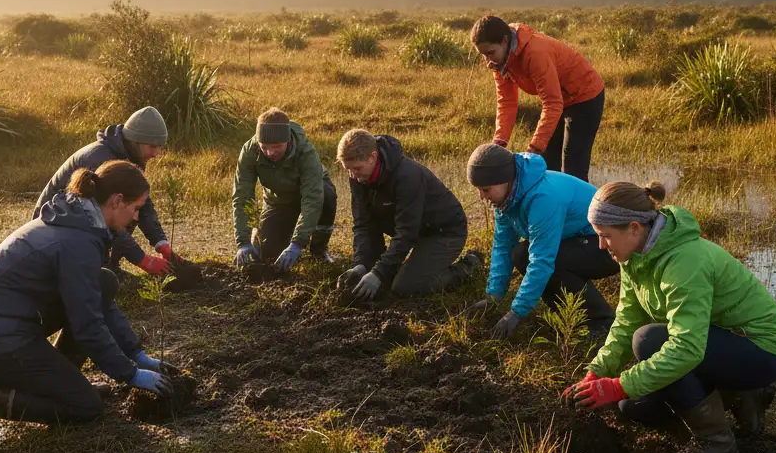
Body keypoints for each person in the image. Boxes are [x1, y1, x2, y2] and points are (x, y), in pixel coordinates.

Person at [0, 160, 177, 444]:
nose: (136, 218)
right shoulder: (78, 241)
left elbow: (95, 301)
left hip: (7, 324)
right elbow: (87, 324)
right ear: (116, 201)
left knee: (104, 282)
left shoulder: (80, 223)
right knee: (86, 407)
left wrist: (136, 354)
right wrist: (130, 374)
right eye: (136, 208)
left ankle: (63, 382)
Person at [563, 181, 776, 453]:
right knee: (633, 409)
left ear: (634, 228)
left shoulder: (685, 262)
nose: (600, 245)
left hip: (760, 349)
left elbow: (686, 348)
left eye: (605, 236)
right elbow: (626, 319)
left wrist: (618, 385)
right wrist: (597, 373)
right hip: (714, 342)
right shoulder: (636, 255)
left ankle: (717, 442)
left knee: (649, 340)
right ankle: (741, 394)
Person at [465, 143, 616, 342]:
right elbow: (503, 245)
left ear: (505, 179)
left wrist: (516, 313)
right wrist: (494, 296)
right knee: (520, 254)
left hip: (609, 244)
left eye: (485, 189)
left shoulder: (543, 198)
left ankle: (601, 321)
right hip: (576, 240)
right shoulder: (506, 199)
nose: (482, 197)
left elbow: (542, 260)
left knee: (550, 262)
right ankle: (569, 317)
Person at [34, 106, 198, 286]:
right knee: (124, 210)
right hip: (56, 227)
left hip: (83, 224)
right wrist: (142, 260)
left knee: (131, 207)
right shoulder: (100, 160)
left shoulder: (129, 156)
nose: (156, 154)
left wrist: (162, 244)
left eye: (159, 147)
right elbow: (107, 215)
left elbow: (143, 204)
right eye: (152, 147)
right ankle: (99, 270)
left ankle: (110, 266)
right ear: (135, 141)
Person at [335, 129, 481, 299]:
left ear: (372, 157)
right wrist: (361, 264)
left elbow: (406, 232)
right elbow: (364, 224)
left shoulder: (407, 176)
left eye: (357, 168)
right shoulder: (359, 177)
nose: (353, 175)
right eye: (349, 170)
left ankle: (469, 266)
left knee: (405, 286)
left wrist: (379, 273)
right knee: (367, 275)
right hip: (414, 230)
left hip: (443, 232)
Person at [470, 14, 605, 182]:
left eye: (490, 53)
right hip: (559, 98)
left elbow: (552, 103)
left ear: (505, 41)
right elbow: (507, 103)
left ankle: (580, 207)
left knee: (572, 168)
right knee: (547, 164)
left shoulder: (535, 53)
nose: (488, 62)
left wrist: (533, 149)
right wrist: (499, 142)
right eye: (483, 55)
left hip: (585, 95)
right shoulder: (500, 61)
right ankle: (551, 206)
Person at [232, 108, 336, 270]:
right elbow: (242, 196)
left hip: (310, 193)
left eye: (277, 146)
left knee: (326, 193)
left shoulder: (306, 152)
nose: (270, 152)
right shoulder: (249, 151)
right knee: (268, 252)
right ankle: (268, 236)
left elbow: (312, 198)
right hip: (278, 201)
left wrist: (297, 243)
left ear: (288, 140)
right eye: (264, 146)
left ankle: (318, 248)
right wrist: (243, 242)